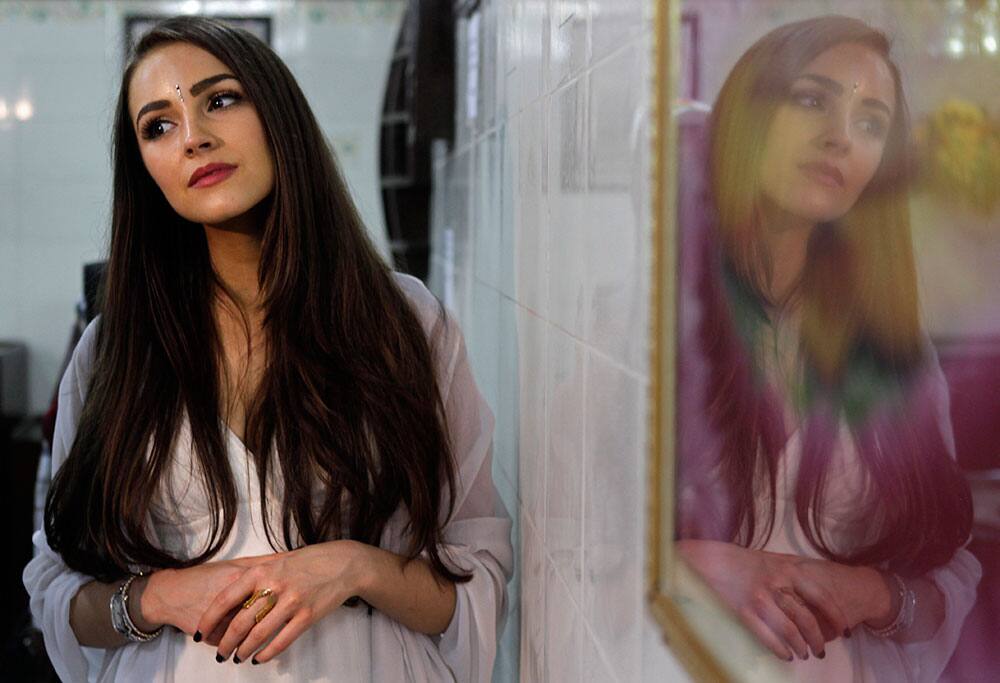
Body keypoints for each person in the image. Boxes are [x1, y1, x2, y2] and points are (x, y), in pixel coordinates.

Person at [23, 16, 512, 683]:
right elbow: (56, 586)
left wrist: (354, 564)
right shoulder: (113, 350)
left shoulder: (405, 323)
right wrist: (155, 596)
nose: (194, 137)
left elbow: (474, 572)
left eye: (219, 99)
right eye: (158, 126)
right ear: (146, 171)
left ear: (277, 114)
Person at [674, 15, 982, 681]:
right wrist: (695, 564)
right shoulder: (653, 324)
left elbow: (948, 572)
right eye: (812, 99)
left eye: (871, 122)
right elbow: (569, 543)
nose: (840, 137)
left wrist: (870, 593)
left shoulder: (895, 356)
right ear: (747, 115)